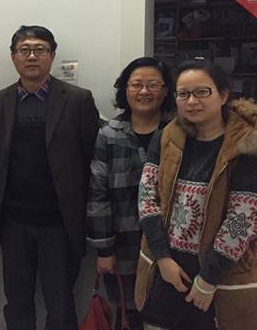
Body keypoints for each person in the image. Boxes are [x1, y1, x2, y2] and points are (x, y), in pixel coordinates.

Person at [0, 25, 100, 330]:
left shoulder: (77, 99)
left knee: (60, 304)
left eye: (40, 49)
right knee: (17, 302)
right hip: (14, 222)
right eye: (24, 50)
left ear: (52, 55)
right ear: (13, 57)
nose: (32, 56)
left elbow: (90, 158)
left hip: (59, 223)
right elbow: (1, 154)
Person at [136, 60, 257, 330]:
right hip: (166, 270)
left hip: (222, 276)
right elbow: (147, 199)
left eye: (202, 92)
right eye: (183, 94)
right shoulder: (167, 137)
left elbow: (243, 219)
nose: (191, 101)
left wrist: (207, 279)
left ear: (223, 95)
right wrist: (163, 258)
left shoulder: (247, 145)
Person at [86, 57, 174, 330]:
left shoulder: (178, 132)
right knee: (128, 313)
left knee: (168, 313)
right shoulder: (109, 134)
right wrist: (104, 249)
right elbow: (98, 194)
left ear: (166, 91)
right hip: (123, 245)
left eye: (153, 85)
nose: (144, 91)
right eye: (136, 85)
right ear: (125, 90)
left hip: (171, 245)